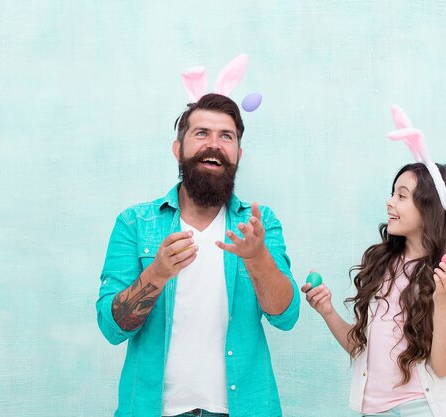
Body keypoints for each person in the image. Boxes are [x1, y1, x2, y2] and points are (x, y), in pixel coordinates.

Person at [96, 88, 300, 417]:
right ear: (178, 149)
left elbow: (286, 316)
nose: (214, 145)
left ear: (238, 154)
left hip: (243, 408)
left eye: (226, 136)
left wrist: (257, 257)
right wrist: (157, 273)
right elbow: (112, 327)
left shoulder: (259, 225)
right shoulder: (135, 223)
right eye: (201, 133)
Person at [302, 107, 446, 417]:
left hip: (422, 409)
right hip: (372, 410)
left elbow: (444, 366)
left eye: (402, 195)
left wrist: (442, 299)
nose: (390, 201)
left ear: (431, 208)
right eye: (392, 193)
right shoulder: (382, 265)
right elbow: (362, 350)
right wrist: (327, 312)